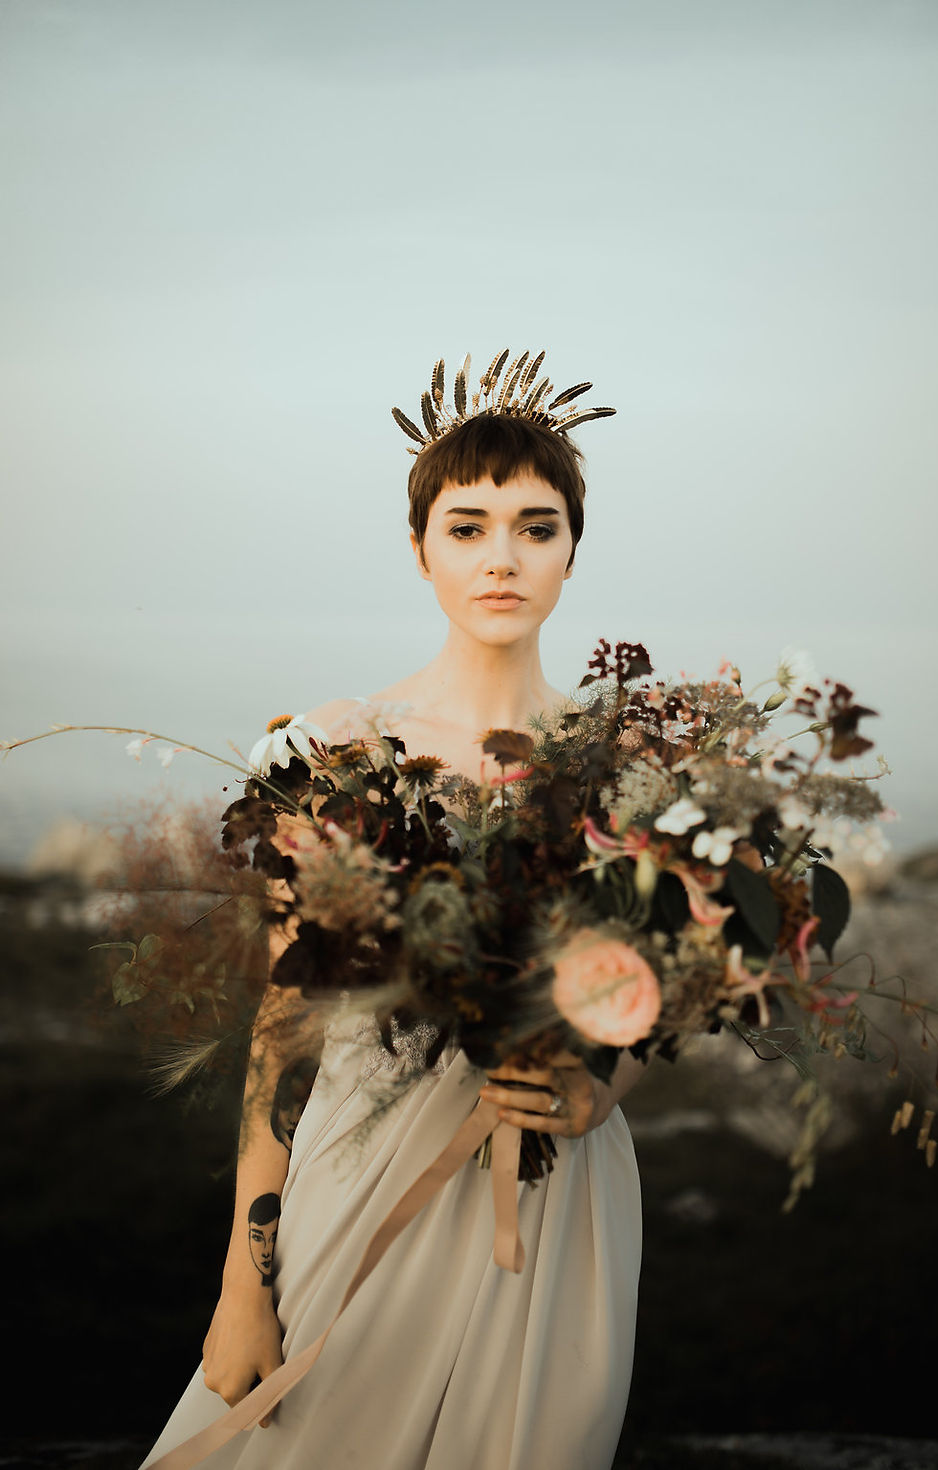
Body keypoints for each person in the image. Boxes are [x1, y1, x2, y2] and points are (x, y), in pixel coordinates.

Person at [140, 350, 650, 1470]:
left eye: (535, 525)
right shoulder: (342, 749)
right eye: (466, 528)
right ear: (418, 551)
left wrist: (597, 1090)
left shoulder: (626, 765)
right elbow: (282, 1032)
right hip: (362, 1171)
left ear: (573, 549)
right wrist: (242, 1282)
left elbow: (653, 996)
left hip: (558, 1199)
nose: (501, 557)